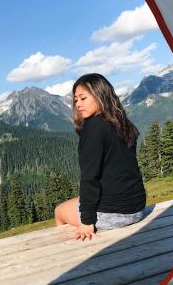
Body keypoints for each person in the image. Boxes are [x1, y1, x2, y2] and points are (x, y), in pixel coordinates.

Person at [54, 73, 147, 241]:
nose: (78, 104)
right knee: (75, 202)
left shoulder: (93, 127)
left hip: (114, 215)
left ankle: (72, 252)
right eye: (76, 100)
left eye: (83, 98)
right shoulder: (122, 122)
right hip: (137, 208)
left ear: (99, 95)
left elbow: (90, 177)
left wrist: (87, 221)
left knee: (59, 211)